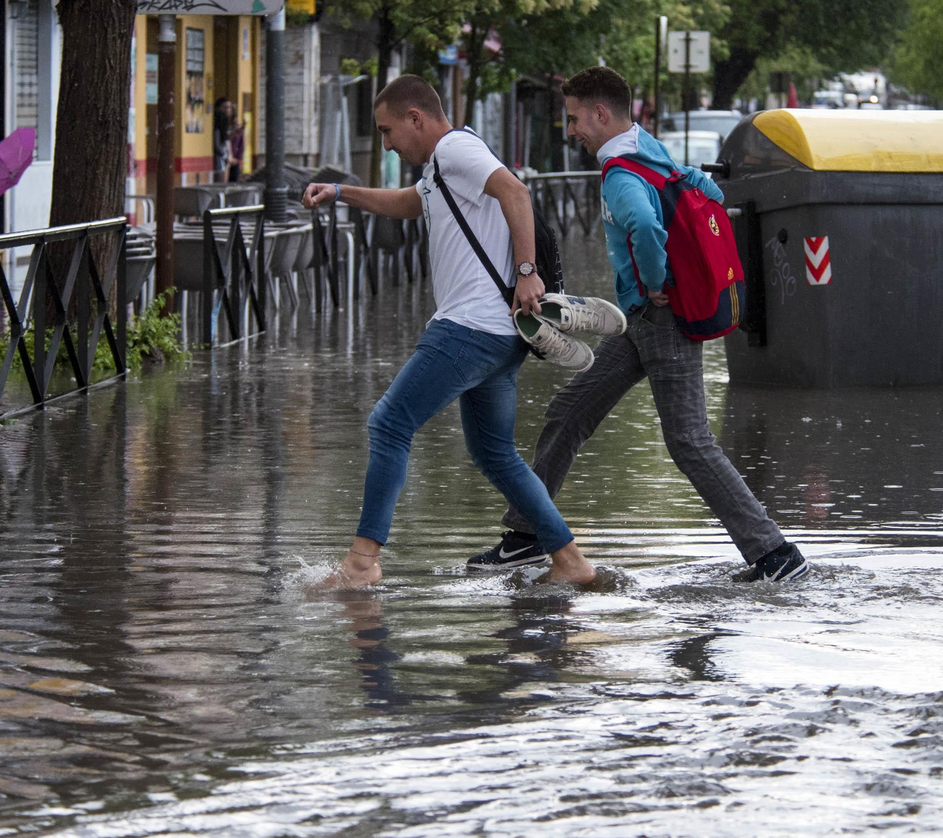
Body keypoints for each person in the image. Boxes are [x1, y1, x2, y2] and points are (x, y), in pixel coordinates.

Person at [470, 66, 809, 583]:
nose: (572, 130)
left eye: (576, 118)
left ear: (601, 113)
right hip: (642, 322)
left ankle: (775, 554)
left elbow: (646, 225)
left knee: (689, 441)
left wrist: (655, 280)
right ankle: (526, 536)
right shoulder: (647, 149)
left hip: (659, 316)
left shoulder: (621, 174)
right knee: (569, 412)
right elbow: (701, 188)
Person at [303, 74, 596, 589]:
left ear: (416, 118)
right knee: (493, 453)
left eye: (388, 131)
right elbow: (410, 202)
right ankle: (570, 562)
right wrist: (341, 191)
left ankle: (361, 564)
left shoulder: (457, 149)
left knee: (389, 423)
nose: (388, 144)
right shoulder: (442, 168)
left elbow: (517, 192)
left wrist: (527, 273)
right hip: (499, 337)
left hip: (468, 327)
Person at [212, 97, 240, 182]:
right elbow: (217, 143)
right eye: (225, 107)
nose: (228, 110)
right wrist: (225, 156)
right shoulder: (219, 121)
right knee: (220, 184)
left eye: (229, 107)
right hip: (219, 158)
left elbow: (227, 139)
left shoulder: (227, 122)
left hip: (224, 157)